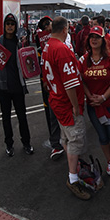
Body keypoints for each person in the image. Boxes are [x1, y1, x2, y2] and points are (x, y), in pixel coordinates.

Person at [41, 16, 90, 200]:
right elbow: (70, 83)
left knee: (66, 137)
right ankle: (73, 177)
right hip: (65, 102)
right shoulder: (61, 49)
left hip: (56, 99)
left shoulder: (47, 46)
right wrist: (76, 106)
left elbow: (46, 75)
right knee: (76, 140)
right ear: (65, 29)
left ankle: (73, 166)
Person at [0, 13, 33, 157]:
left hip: (18, 86)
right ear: (4, 26)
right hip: (3, 87)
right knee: (6, 118)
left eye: (12, 24)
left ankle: (26, 143)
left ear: (15, 26)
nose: (9, 26)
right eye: (7, 24)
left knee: (22, 117)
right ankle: (9, 144)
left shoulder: (20, 43)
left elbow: (28, 62)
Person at [79, 26, 110, 178]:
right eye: (91, 37)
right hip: (93, 105)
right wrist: (91, 97)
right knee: (102, 137)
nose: (94, 39)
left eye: (97, 37)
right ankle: (109, 161)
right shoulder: (83, 59)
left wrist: (103, 98)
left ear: (103, 40)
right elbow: (82, 82)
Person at [35, 16, 65, 160]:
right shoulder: (41, 41)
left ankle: (68, 141)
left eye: (48, 24)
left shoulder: (65, 37)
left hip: (64, 81)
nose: (47, 27)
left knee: (68, 114)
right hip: (51, 82)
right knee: (53, 113)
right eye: (43, 26)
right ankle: (56, 144)